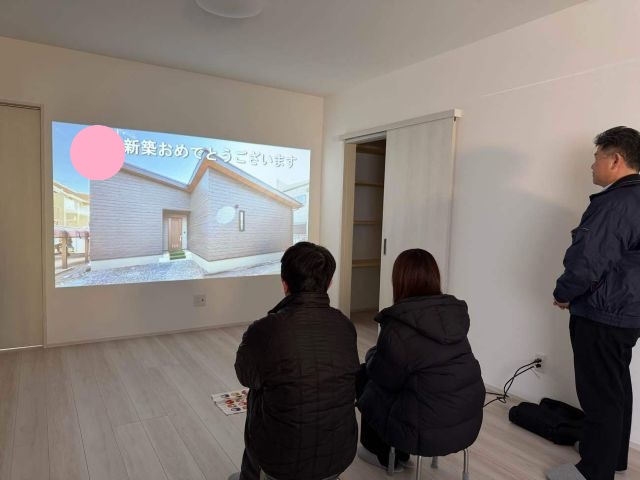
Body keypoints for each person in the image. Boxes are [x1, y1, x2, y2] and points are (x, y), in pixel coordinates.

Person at [549, 126, 640, 480]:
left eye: (596, 158)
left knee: (600, 394)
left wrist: (564, 293)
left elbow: (587, 261)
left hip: (603, 314)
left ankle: (593, 471)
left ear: (615, 160)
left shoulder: (615, 203)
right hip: (628, 313)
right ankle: (613, 458)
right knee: (616, 387)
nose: (592, 165)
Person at [230, 242, 360, 480]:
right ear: (329, 283)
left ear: (284, 283)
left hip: (281, 461)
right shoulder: (344, 325)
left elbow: (245, 376)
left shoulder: (265, 330)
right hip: (340, 455)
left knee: (257, 392)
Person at [356, 248, 485, 471]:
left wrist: (372, 356)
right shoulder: (452, 318)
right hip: (466, 423)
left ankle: (382, 453)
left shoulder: (398, 325)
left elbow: (383, 376)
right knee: (416, 382)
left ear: (399, 281)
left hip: (423, 428)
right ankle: (400, 453)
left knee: (364, 377)